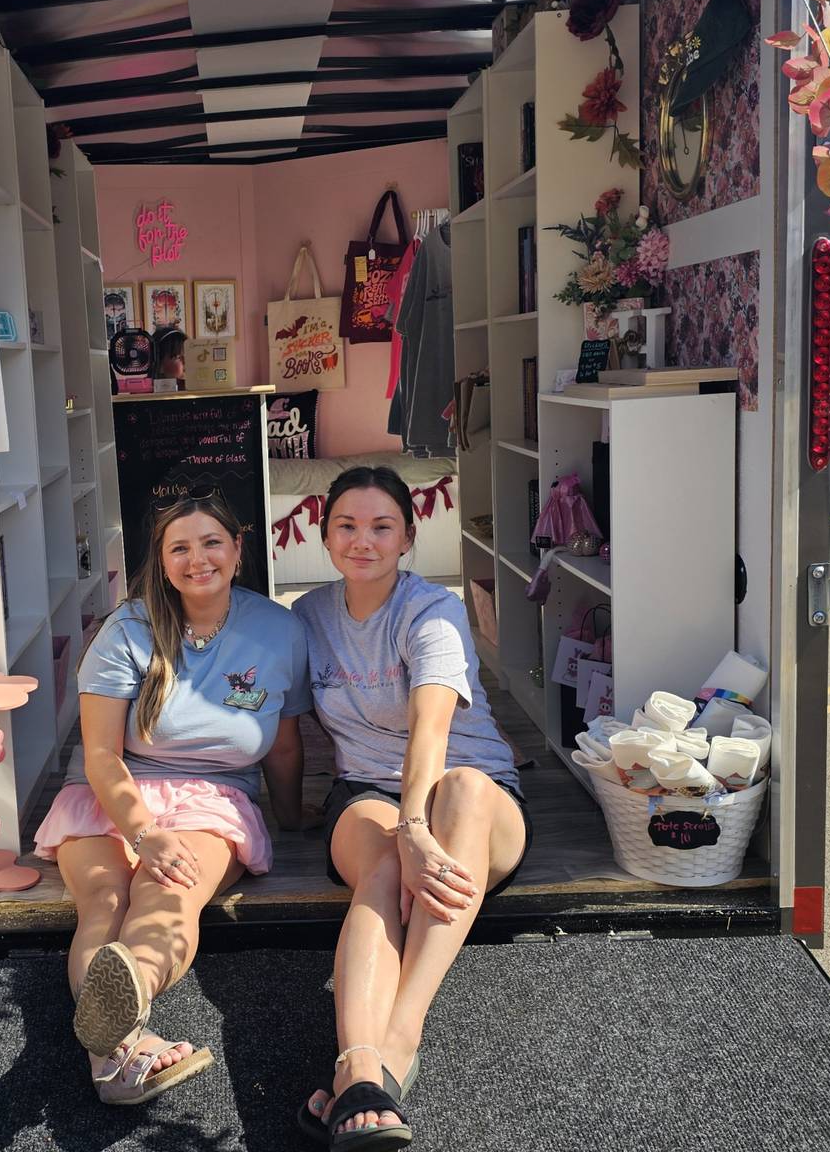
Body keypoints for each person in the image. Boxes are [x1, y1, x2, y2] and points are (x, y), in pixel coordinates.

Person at [32, 488, 309, 1104]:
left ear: (239, 549)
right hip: (113, 795)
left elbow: (285, 745)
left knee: (168, 894)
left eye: (212, 542)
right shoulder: (126, 629)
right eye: (178, 547)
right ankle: (123, 1046)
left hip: (213, 800)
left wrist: (291, 817)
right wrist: (143, 833)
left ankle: (114, 1046)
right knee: (103, 901)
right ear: (160, 561)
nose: (196, 558)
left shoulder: (279, 629)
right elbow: (102, 755)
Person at [292, 466, 531, 1150]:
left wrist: (418, 826)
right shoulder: (308, 616)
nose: (361, 541)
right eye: (346, 525)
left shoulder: (433, 609)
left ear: (407, 538)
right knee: (385, 868)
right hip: (364, 790)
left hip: (469, 800)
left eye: (380, 527)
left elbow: (431, 731)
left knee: (465, 788)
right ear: (323, 532)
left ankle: (393, 1045)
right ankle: (363, 1069)